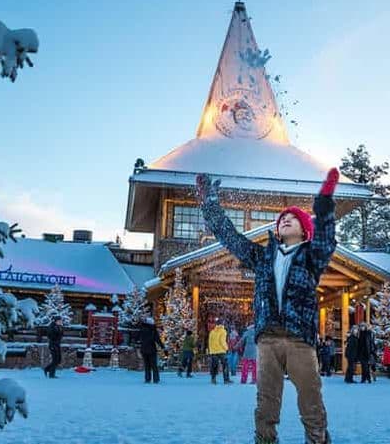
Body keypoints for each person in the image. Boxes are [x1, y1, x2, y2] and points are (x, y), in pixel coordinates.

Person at [197, 168, 339, 444]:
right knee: (266, 401)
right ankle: (264, 440)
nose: (286, 219)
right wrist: (210, 205)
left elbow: (325, 238)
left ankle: (317, 440)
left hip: (299, 339)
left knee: (310, 397)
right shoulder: (262, 257)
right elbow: (231, 237)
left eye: (293, 218)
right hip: (268, 339)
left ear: (304, 230)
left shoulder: (312, 257)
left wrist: (324, 202)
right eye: (282, 218)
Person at [139, 316, 165, 384]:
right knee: (154, 365)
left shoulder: (142, 329)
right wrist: (163, 347)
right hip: (152, 349)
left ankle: (147, 379)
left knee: (147, 365)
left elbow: (138, 338)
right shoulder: (153, 330)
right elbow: (157, 340)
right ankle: (156, 379)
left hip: (143, 349)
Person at [208, 319, 231, 384]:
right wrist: (226, 348)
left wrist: (211, 350)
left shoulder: (212, 332)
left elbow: (210, 342)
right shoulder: (223, 331)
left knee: (214, 365)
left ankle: (213, 379)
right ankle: (226, 379)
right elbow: (222, 341)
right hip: (221, 351)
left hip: (213, 351)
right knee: (225, 365)